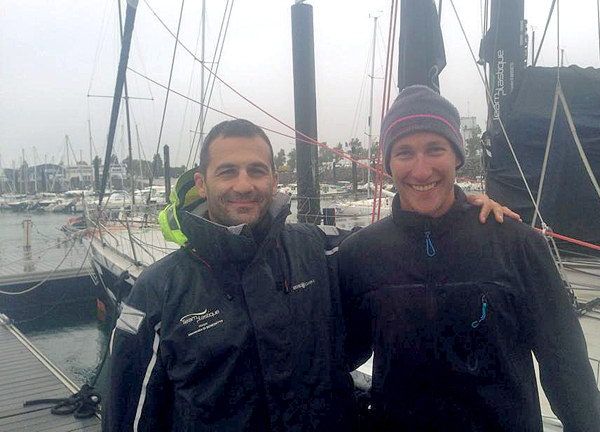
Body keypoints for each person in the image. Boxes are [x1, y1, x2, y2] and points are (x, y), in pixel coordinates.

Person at [102, 118, 514, 431]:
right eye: (228, 171)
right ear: (202, 183)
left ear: (274, 179)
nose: (243, 184)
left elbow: (398, 238)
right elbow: (127, 411)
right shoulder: (157, 291)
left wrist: (455, 208)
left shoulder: (319, 249)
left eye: (256, 171)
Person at [339, 85, 600, 431]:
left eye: (435, 149)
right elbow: (337, 357)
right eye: (404, 153)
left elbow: (567, 368)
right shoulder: (360, 254)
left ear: (457, 156)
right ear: (388, 162)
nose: (421, 170)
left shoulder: (517, 245)